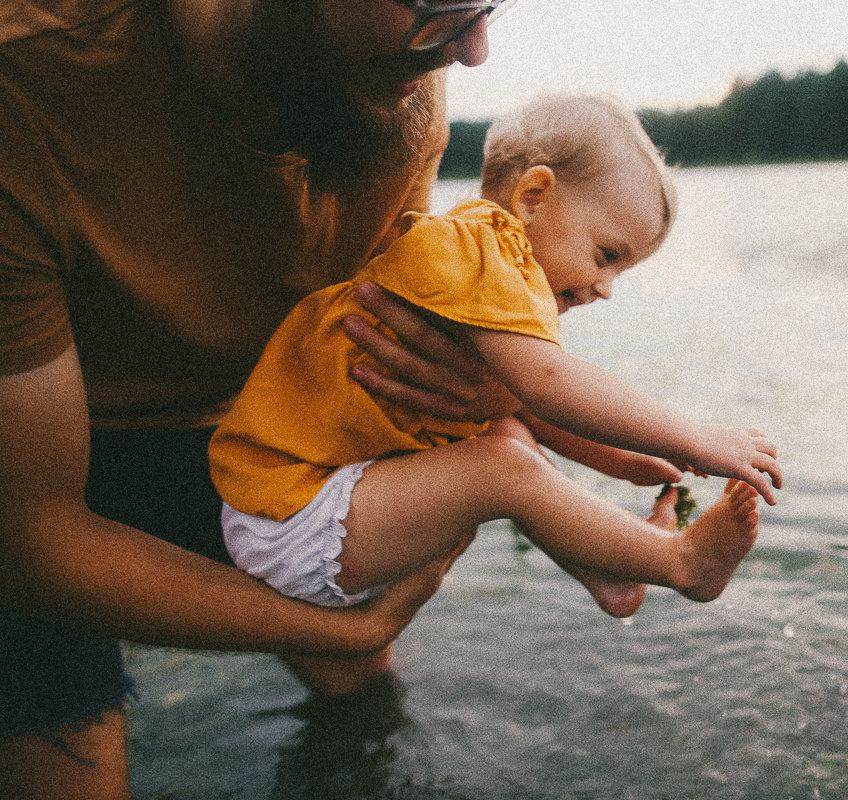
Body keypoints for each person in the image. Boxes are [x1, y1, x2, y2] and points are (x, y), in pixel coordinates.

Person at [0, 1, 529, 797]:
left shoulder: (394, 82)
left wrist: (488, 387)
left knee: (362, 691)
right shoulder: (30, 81)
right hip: (25, 457)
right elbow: (31, 536)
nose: (475, 50)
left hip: (231, 428)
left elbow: (391, 339)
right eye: (438, 5)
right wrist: (339, 623)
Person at [209, 94, 784, 692]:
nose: (606, 288)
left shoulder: (487, 267)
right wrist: (695, 435)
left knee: (506, 435)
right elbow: (550, 385)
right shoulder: (470, 251)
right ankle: (682, 565)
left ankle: (611, 570)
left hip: (334, 500)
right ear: (533, 198)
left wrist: (622, 458)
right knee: (503, 464)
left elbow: (521, 404)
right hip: (287, 517)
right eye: (605, 255)